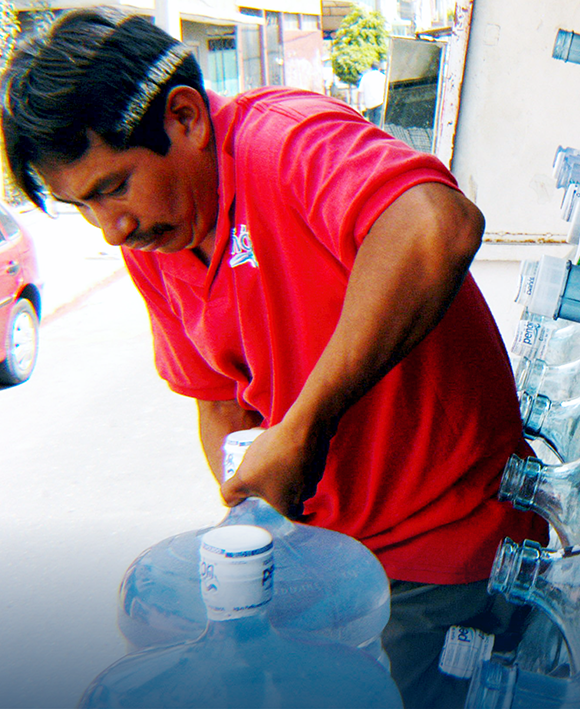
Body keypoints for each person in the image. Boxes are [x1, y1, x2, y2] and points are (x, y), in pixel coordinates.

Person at [1, 9, 547, 708]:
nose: (113, 228)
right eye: (85, 207)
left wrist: (305, 424)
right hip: (331, 567)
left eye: (114, 186)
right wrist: (253, 533)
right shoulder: (156, 243)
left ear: (185, 117)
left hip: (450, 544)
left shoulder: (284, 143)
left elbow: (437, 225)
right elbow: (218, 402)